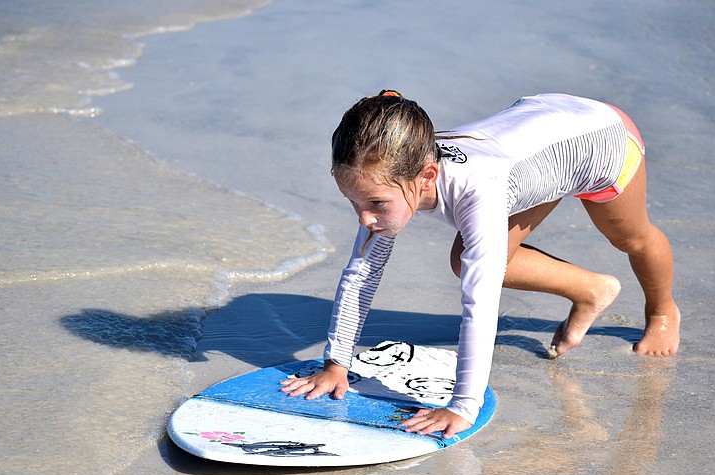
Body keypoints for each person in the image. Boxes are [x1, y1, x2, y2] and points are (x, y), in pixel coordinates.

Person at [280, 90, 680, 438]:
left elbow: (480, 304)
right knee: (465, 257)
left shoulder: (476, 194)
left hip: (602, 140)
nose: (364, 218)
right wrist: (337, 364)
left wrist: (462, 406)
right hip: (541, 143)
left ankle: (663, 310)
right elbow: (361, 274)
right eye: (353, 202)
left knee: (630, 237)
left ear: (427, 176)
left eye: (376, 204)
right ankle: (592, 290)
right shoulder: (393, 166)